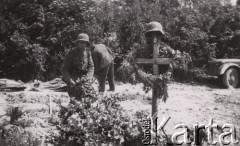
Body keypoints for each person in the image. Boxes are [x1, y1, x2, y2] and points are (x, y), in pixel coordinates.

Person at [61, 33, 94, 98]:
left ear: (87, 44)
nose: (82, 44)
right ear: (78, 43)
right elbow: (64, 69)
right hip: (73, 79)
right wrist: (69, 80)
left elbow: (91, 67)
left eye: (84, 43)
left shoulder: (88, 53)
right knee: (75, 99)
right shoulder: (71, 54)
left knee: (89, 97)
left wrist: (88, 78)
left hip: (84, 78)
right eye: (81, 42)